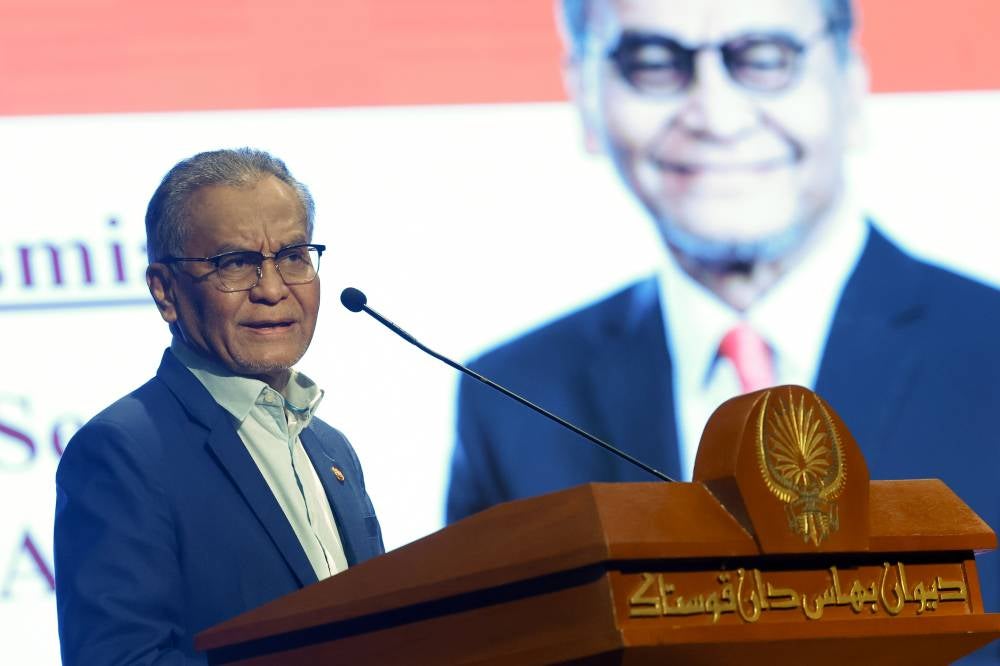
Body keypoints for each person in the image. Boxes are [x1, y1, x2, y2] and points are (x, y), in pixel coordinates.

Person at [447, 2, 1000, 661]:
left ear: (850, 81)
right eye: (653, 65)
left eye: (766, 58)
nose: (716, 116)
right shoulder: (513, 397)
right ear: (587, 95)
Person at [54, 148, 384, 665]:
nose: (273, 290)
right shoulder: (123, 452)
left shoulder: (329, 447)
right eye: (236, 263)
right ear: (165, 292)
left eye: (294, 256)